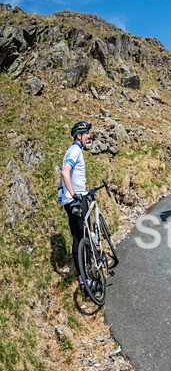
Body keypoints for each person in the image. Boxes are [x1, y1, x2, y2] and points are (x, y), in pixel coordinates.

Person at [59, 121, 92, 289]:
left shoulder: (70, 151)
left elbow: (63, 175)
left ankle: (82, 278)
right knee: (83, 237)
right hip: (76, 199)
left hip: (72, 199)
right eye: (86, 133)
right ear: (79, 136)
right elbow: (65, 172)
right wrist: (74, 195)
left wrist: (62, 191)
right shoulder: (75, 151)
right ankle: (87, 279)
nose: (89, 136)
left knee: (78, 238)